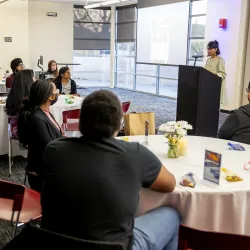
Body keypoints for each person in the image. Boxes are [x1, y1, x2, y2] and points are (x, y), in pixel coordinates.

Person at [41, 90, 180, 250]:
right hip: (114, 246)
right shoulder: (135, 153)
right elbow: (169, 184)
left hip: (55, 243)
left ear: (79, 122)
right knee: (171, 216)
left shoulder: (53, 150)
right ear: (119, 124)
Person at [18, 79, 62, 192]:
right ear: (50, 97)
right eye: (55, 90)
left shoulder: (45, 112)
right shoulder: (37, 118)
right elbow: (49, 146)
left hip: (49, 167)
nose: (57, 92)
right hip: (42, 174)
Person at [205, 40, 227, 106]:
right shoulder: (208, 60)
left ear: (216, 49)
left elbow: (223, 74)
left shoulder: (220, 60)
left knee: (214, 106)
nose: (208, 50)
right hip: (208, 86)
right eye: (208, 49)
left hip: (215, 86)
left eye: (210, 49)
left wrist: (215, 75)